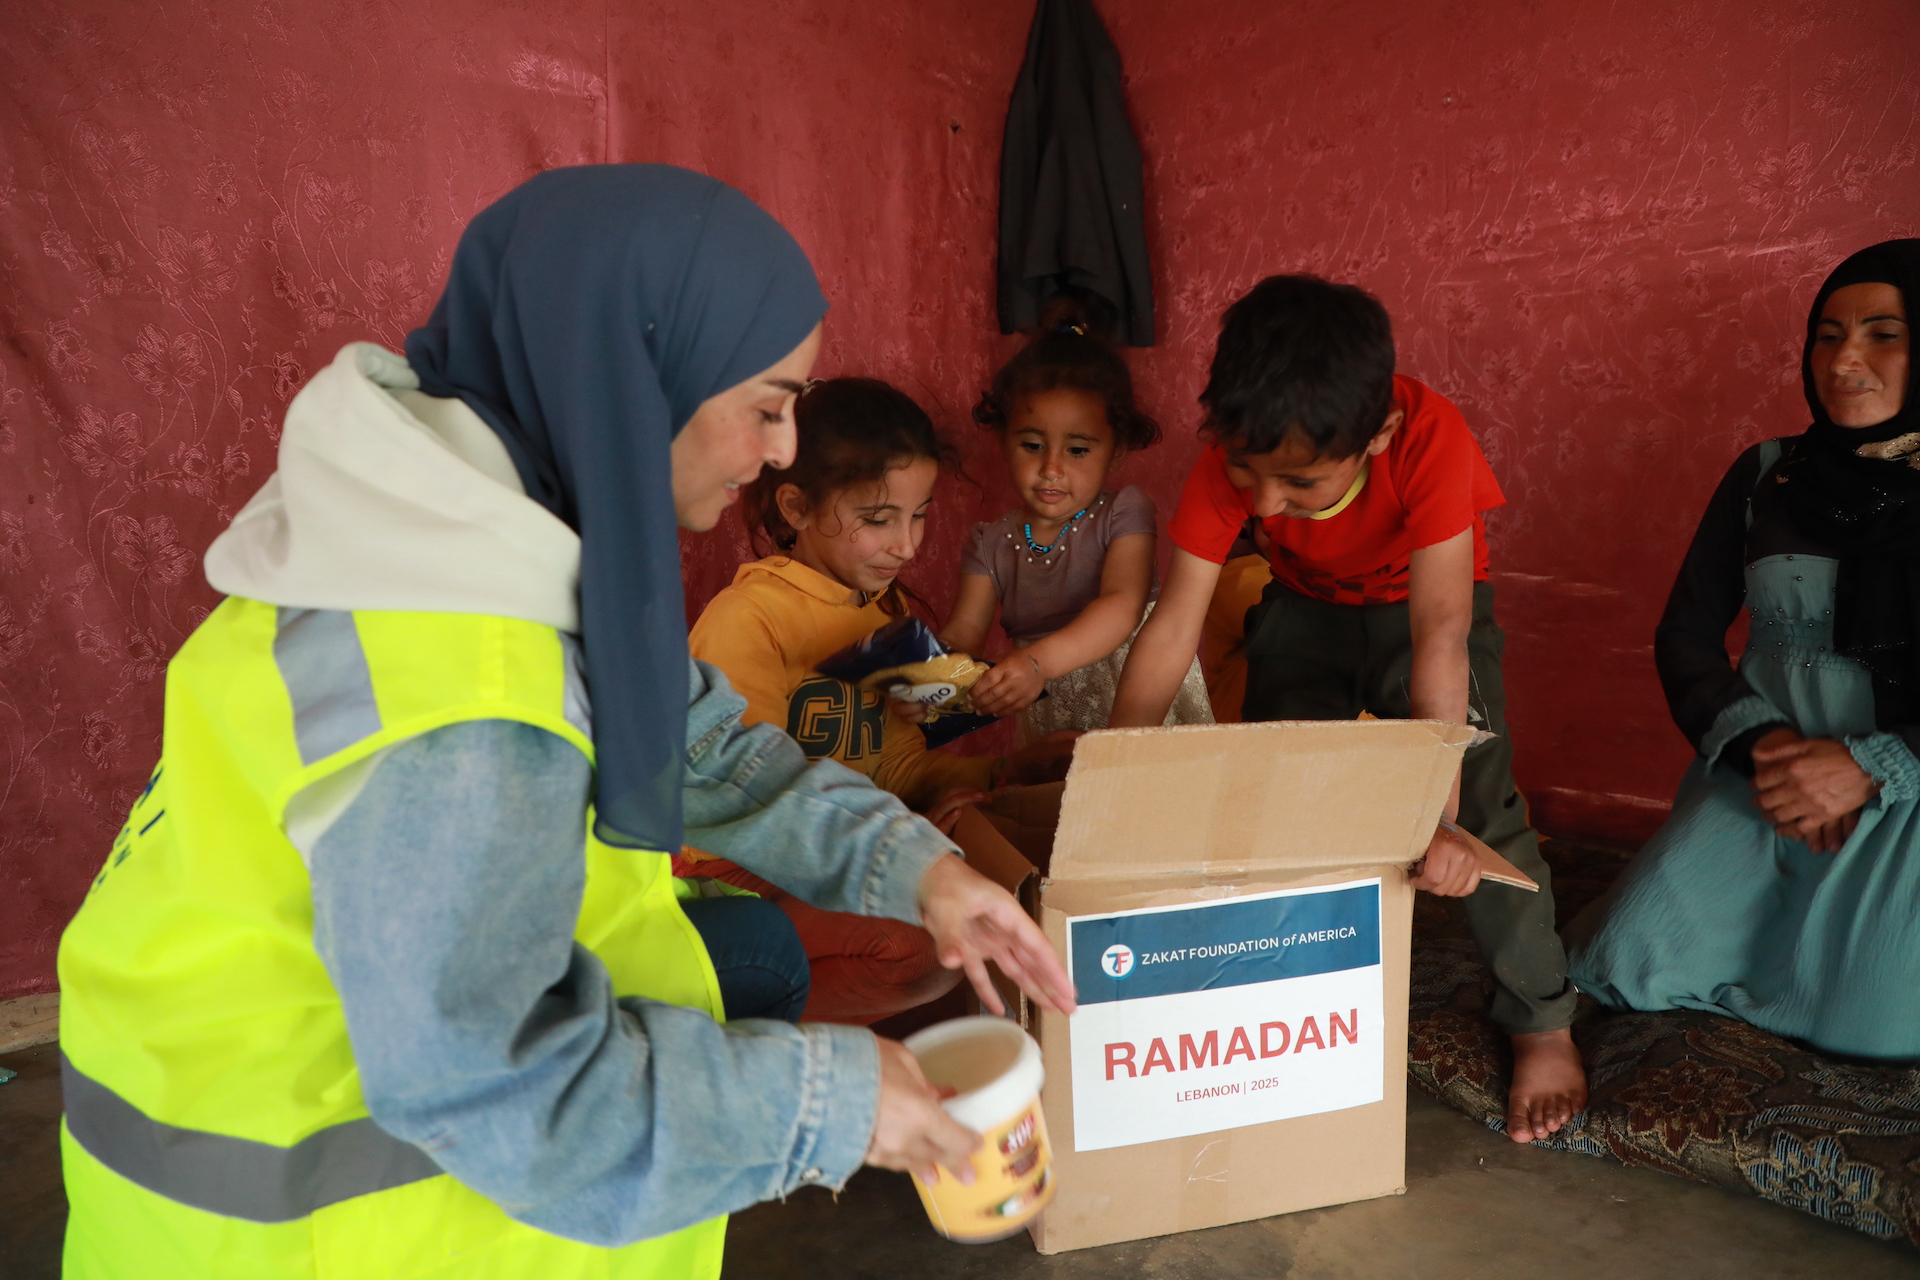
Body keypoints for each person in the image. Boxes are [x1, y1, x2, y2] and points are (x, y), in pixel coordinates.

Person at [55, 165, 1075, 1280]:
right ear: (636, 383)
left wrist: (921, 870)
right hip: (331, 1239)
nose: (782, 450)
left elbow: (701, 744)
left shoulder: (477, 539)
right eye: (768, 405)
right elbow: (497, 1080)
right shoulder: (458, 687)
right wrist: (828, 1099)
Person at [1107, 274, 1585, 1143]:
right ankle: (1292, 994)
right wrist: (1114, 772)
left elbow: (1441, 633)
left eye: (1296, 482)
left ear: (1380, 436)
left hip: (1427, 619)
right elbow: (1173, 621)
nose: (1261, 503)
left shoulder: (1431, 438)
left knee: (1482, 808)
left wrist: (1432, 819)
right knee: (1280, 795)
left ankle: (1542, 1020)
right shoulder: (1235, 457)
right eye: (1246, 473)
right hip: (1306, 611)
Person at [1568, 240, 1920, 1060]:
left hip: (1902, 793)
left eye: (1884, 334)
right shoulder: (1769, 476)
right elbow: (1686, 634)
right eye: (1827, 335)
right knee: (1619, 961)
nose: (1846, 361)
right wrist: (1767, 750)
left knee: (1872, 1027)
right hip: (1761, 778)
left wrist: (1871, 767)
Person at [686, 376, 1068, 1022]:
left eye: (918, 515)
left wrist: (999, 776)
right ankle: (753, 1045)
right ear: (795, 507)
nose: (908, 545)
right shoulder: (749, 617)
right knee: (922, 949)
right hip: (735, 872)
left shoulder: (882, 614)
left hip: (842, 851)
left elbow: (898, 770)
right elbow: (747, 796)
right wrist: (905, 844)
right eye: (877, 519)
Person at [941, 310, 1212, 736]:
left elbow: (1123, 606)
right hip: (1052, 715)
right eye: (1032, 445)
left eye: (1078, 451)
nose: (1051, 468)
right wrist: (932, 680)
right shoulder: (989, 543)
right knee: (1063, 797)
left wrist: (1036, 663)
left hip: (1140, 691)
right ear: (1002, 441)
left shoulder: (1124, 512)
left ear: (1117, 451)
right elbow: (964, 632)